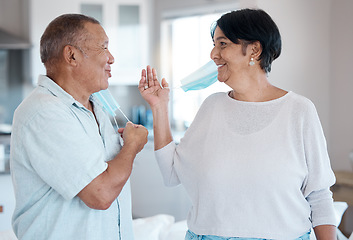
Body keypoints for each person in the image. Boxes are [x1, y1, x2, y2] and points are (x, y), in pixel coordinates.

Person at [139, 8, 337, 240]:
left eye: (222, 44)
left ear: (254, 49)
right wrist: (159, 107)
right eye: (214, 44)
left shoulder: (300, 111)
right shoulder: (211, 107)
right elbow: (171, 173)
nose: (213, 54)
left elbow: (319, 195)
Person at [10, 14, 148, 240]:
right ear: (71, 55)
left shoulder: (97, 107)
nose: (111, 58)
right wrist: (131, 146)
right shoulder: (43, 113)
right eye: (104, 47)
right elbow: (100, 195)